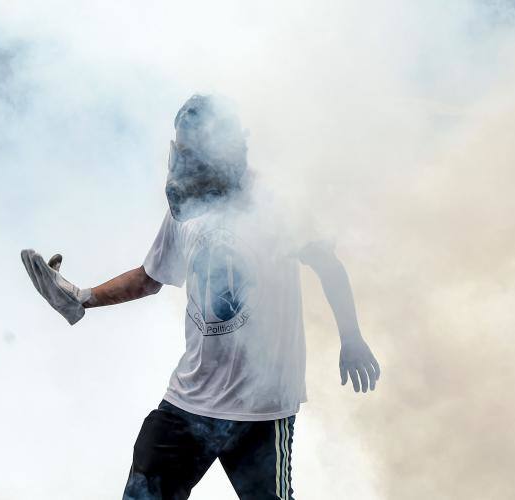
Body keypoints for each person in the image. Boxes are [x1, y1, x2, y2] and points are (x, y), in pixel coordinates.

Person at [21, 95, 380, 500]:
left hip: (261, 409)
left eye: (195, 149)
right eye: (182, 148)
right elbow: (149, 277)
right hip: (191, 399)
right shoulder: (189, 209)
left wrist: (351, 338)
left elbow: (327, 264)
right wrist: (82, 298)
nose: (184, 160)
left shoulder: (279, 204)